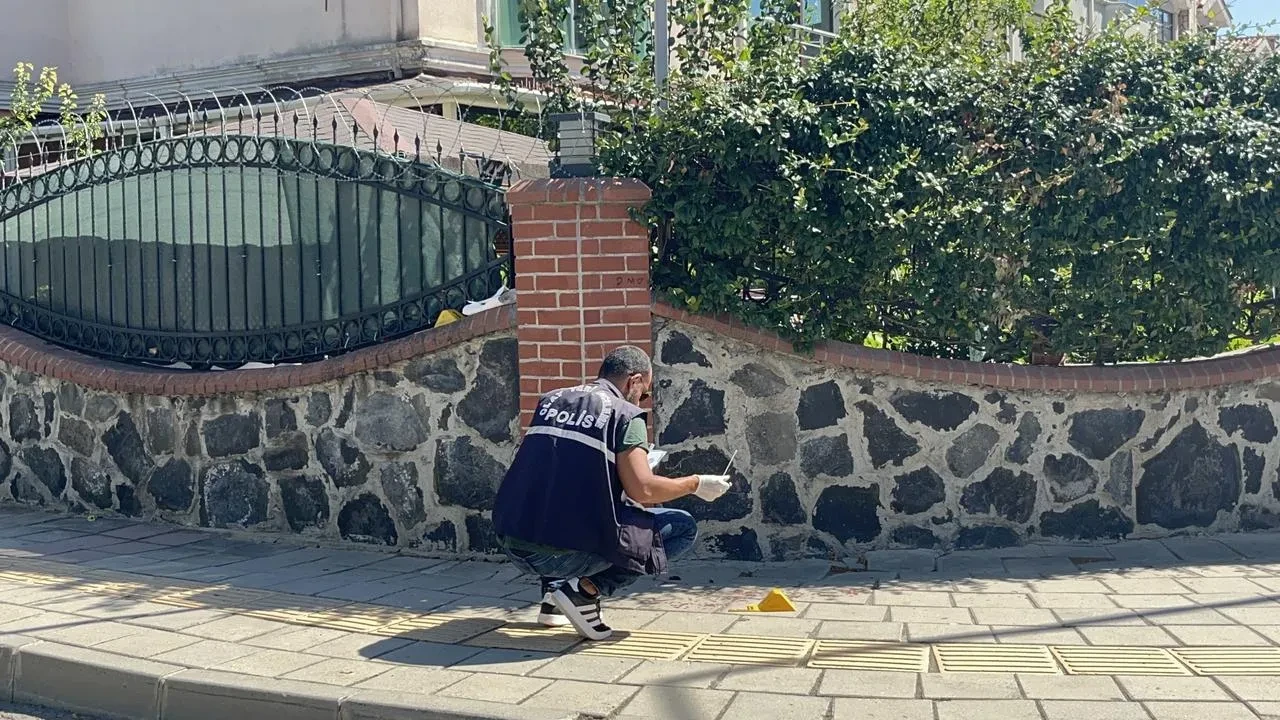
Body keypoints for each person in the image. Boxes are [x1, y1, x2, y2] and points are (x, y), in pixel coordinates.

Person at [492, 345, 733, 641]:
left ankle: (553, 599)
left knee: (556, 498)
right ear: (633, 382)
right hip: (563, 553)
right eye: (645, 392)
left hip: (513, 540)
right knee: (681, 527)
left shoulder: (551, 400)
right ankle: (584, 592)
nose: (643, 399)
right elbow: (643, 489)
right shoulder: (626, 415)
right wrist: (696, 483)